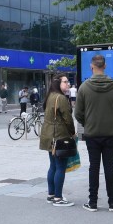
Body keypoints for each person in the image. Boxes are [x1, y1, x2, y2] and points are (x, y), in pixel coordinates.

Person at [75, 54, 113, 212]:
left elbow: (78, 113)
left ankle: (92, 202)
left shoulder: (84, 87)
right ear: (104, 66)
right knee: (109, 167)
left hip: (92, 134)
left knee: (94, 167)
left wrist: (88, 123)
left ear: (92, 67)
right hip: (110, 133)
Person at [39, 74, 76, 207]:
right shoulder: (60, 98)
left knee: (53, 166)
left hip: (49, 135)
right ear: (58, 83)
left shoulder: (50, 96)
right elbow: (68, 119)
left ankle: (51, 194)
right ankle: (58, 198)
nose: (68, 84)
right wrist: (73, 133)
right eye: (65, 82)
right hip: (59, 136)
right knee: (60, 167)